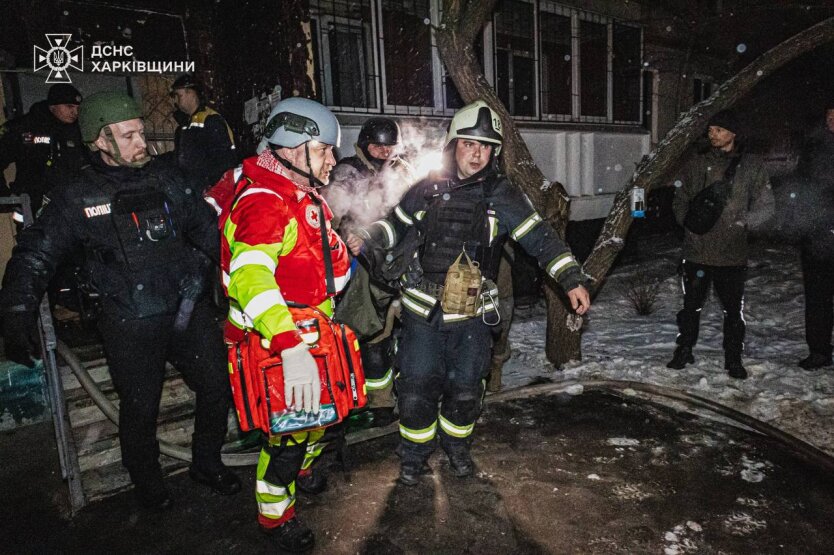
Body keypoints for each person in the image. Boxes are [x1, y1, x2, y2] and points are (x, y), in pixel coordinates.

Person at [0, 91, 240, 510]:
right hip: (130, 322)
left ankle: (206, 462)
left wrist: (241, 274)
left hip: (185, 309)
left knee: (217, 387)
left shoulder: (168, 178)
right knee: (140, 407)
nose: (141, 142)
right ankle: (148, 483)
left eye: (141, 132)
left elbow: (211, 232)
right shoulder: (77, 195)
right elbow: (36, 254)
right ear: (100, 141)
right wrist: (17, 311)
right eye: (128, 135)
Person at [360, 100, 590, 486]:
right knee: (416, 387)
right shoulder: (427, 188)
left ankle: (457, 448)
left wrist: (570, 277)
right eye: (469, 143)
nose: (477, 153)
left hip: (472, 314)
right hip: (422, 311)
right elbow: (393, 226)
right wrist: (365, 238)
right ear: (455, 145)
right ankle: (414, 454)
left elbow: (538, 238)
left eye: (486, 146)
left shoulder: (502, 194)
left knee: (466, 389)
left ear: (494, 152)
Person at [220, 97, 351, 552]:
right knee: (286, 440)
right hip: (277, 343)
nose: (333, 160)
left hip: (310, 333)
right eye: (324, 150)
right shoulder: (263, 202)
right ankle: (276, 520)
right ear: (294, 150)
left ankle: (306, 472)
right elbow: (251, 275)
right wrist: (289, 346)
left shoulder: (300, 194)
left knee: (316, 423)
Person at [668, 109, 774, 379]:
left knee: (733, 311)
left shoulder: (751, 166)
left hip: (732, 254)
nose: (712, 134)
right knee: (691, 306)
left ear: (733, 133)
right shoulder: (696, 163)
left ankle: (733, 357)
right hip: (697, 251)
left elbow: (766, 205)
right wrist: (688, 224)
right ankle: (684, 349)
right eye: (711, 129)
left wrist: (745, 222)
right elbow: (680, 198)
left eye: (718, 129)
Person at [324, 117, 415, 426]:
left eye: (389, 146)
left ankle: (405, 394)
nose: (383, 152)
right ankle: (377, 404)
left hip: (400, 259)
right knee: (371, 333)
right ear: (364, 145)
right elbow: (334, 209)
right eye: (377, 146)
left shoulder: (403, 170)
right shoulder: (348, 171)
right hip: (362, 264)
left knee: (407, 334)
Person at [0, 83, 87, 214]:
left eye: (77, 108)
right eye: (69, 106)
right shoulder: (25, 127)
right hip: (33, 205)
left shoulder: (80, 130)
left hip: (73, 203)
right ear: (53, 106)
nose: (74, 112)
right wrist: (5, 197)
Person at [794, 102, 834, 369]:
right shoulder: (813, 149)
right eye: (830, 115)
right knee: (818, 298)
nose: (832, 120)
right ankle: (819, 350)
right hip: (817, 237)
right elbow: (800, 187)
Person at [170, 74, 238, 191]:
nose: (175, 100)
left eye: (178, 95)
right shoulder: (184, 126)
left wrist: (211, 187)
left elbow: (224, 160)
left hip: (210, 191)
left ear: (191, 93)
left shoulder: (211, 120)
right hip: (193, 191)